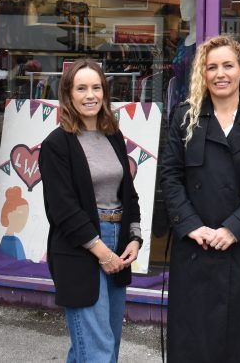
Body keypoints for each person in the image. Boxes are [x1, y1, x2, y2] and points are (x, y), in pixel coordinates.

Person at [159, 35, 240, 362]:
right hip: (196, 250)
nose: (220, 74)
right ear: (203, 73)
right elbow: (170, 176)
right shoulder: (184, 118)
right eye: (212, 67)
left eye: (228, 65)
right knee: (195, 345)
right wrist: (191, 225)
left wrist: (233, 229)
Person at [39, 59, 142, 363]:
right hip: (81, 248)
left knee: (101, 344)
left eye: (96, 87)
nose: (90, 95)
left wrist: (134, 238)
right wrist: (102, 253)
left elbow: (129, 194)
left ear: (105, 93)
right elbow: (63, 210)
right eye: (81, 88)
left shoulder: (113, 136)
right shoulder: (57, 144)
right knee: (98, 350)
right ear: (68, 94)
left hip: (117, 240)